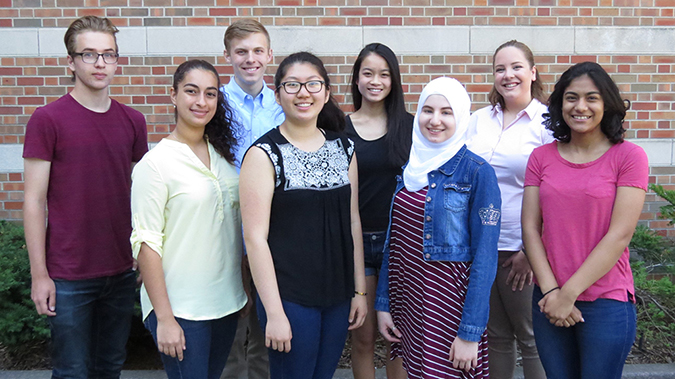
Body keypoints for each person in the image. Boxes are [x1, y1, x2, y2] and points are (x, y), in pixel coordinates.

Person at [22, 15, 148, 379]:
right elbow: (33, 201)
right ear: (71, 61)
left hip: (121, 270)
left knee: (109, 367)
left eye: (108, 54)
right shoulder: (48, 120)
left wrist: (140, 252)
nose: (100, 63)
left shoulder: (132, 121)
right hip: (68, 275)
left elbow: (142, 193)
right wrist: (39, 275)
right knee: (72, 372)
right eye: (89, 54)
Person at [239, 51, 367, 379]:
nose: (303, 93)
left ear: (325, 93)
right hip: (290, 299)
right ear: (278, 94)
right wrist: (274, 311)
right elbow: (255, 239)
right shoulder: (263, 155)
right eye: (292, 85)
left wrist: (359, 291)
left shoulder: (345, 149)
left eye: (312, 84)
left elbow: (352, 221)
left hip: (337, 296)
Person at [522, 61, 648, 379]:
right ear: (559, 104)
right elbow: (530, 228)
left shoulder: (629, 157)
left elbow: (620, 234)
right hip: (548, 299)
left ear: (607, 104)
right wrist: (552, 293)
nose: (581, 106)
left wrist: (569, 294)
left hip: (606, 302)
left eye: (592, 98)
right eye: (571, 97)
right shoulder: (541, 157)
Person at [376, 77, 501, 379]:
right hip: (411, 302)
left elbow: (485, 258)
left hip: (450, 308)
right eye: (427, 110)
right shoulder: (411, 168)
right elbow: (394, 245)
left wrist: (470, 333)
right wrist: (384, 304)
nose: (435, 120)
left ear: (462, 117)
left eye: (446, 112)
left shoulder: (477, 173)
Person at [131, 59, 246, 379]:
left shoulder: (223, 156)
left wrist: (244, 290)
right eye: (191, 91)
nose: (201, 101)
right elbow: (146, 243)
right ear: (173, 95)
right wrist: (164, 318)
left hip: (226, 302)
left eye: (211, 94)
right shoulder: (154, 165)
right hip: (180, 308)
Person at [465, 40, 550, 379]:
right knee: (495, 336)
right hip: (480, 247)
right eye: (500, 68)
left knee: (531, 337)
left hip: (522, 250)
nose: (507, 75)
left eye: (516, 67)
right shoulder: (477, 121)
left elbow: (554, 193)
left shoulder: (547, 123)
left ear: (532, 72)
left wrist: (532, 250)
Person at [220, 18, 285, 379]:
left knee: (264, 329)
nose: (250, 59)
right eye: (241, 52)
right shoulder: (215, 101)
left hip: (273, 232)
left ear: (269, 54)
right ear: (228, 55)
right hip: (226, 228)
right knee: (230, 331)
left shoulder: (282, 103)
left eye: (258, 51)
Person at [345, 42, 412, 379]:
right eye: (368, 73)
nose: (376, 81)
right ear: (356, 79)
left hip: (399, 245)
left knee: (397, 338)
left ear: (394, 80)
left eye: (384, 74)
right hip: (357, 244)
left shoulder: (412, 127)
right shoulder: (340, 130)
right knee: (364, 338)